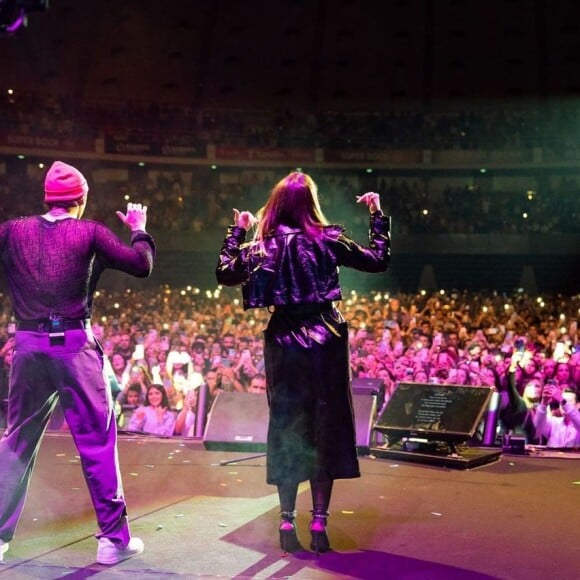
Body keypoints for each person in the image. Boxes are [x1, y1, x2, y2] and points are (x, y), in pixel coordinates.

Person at [216, 171, 390, 554]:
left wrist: (237, 230)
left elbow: (224, 272)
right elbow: (379, 260)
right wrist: (377, 214)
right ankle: (319, 520)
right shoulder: (328, 239)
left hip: (284, 340)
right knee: (324, 429)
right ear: (311, 204)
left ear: (276, 204)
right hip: (326, 339)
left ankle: (285, 518)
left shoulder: (262, 245)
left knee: (288, 428)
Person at [0, 161, 155, 565]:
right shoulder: (90, 231)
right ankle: (112, 542)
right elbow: (142, 264)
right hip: (74, 346)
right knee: (96, 442)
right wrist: (138, 227)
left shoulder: (11, 230)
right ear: (81, 200)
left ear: (46, 198)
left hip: (28, 346)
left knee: (16, 442)